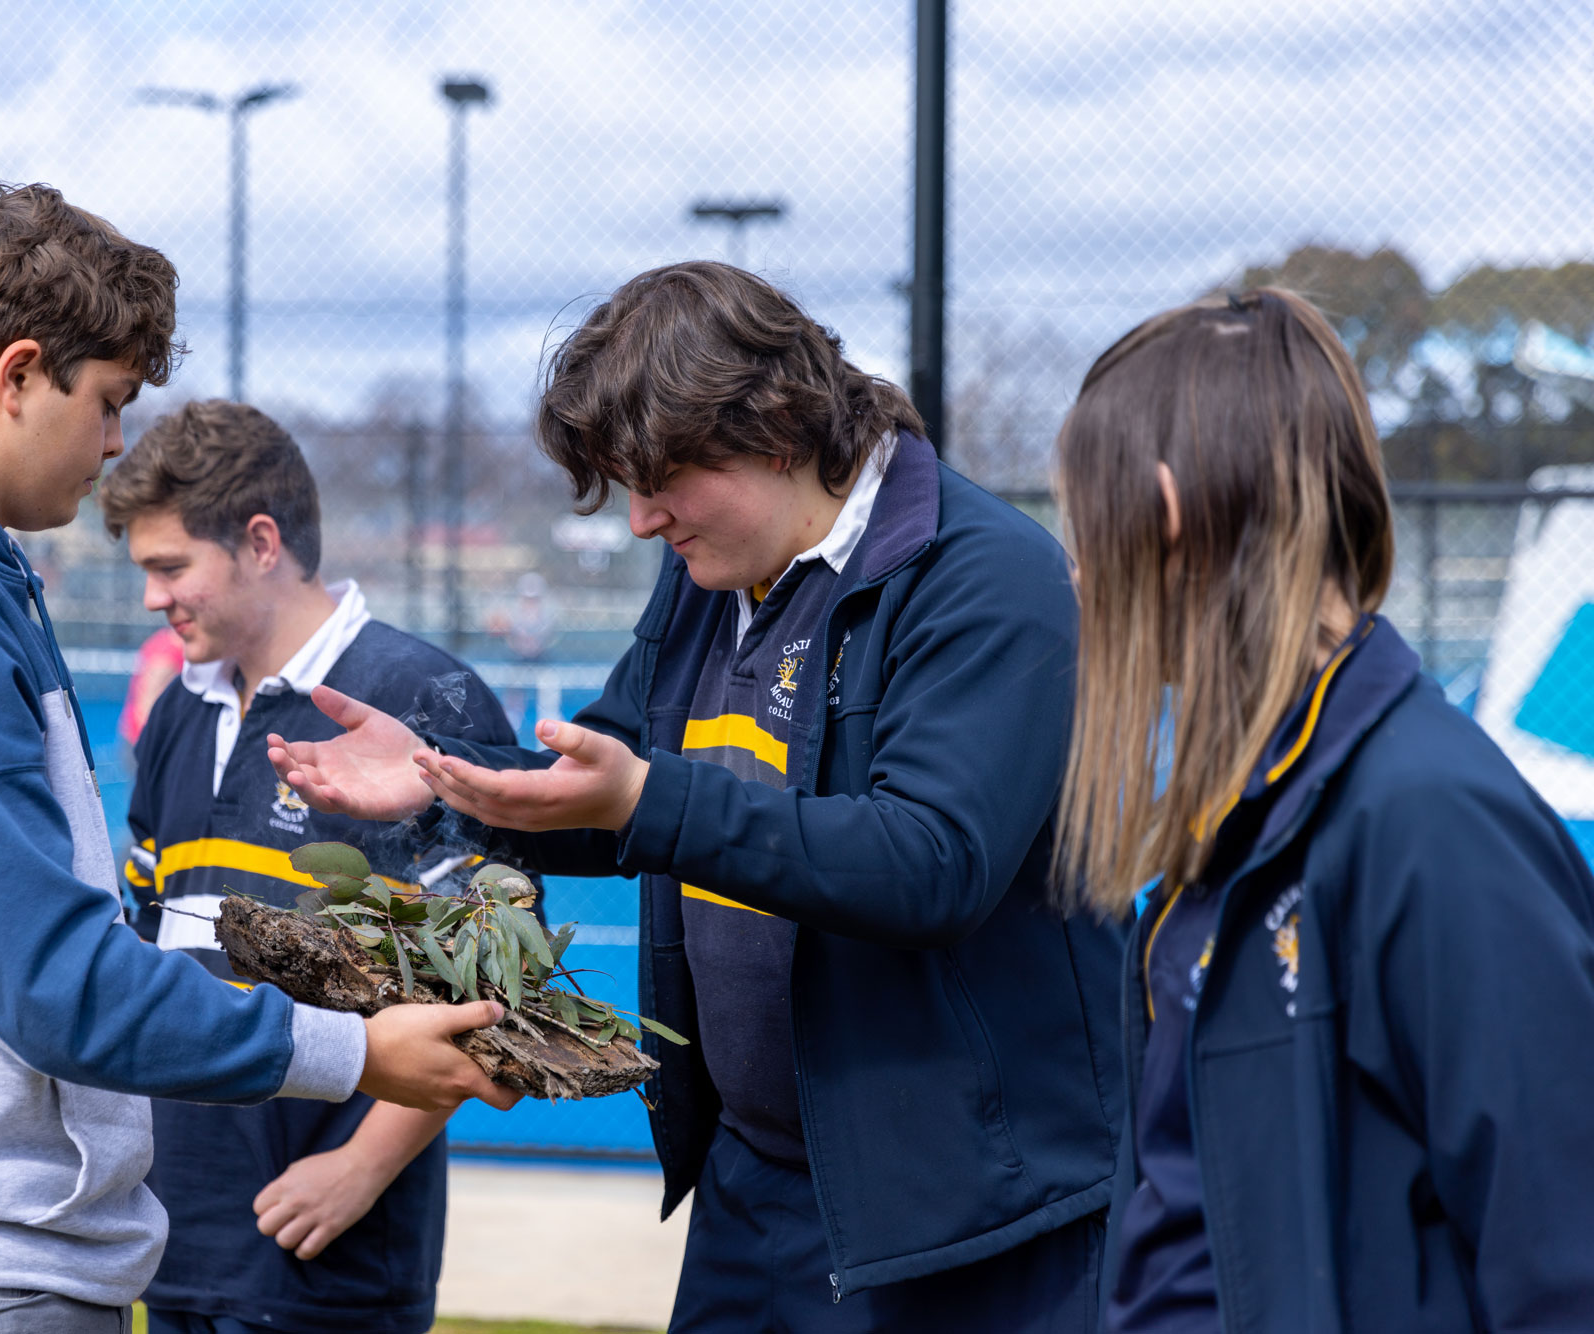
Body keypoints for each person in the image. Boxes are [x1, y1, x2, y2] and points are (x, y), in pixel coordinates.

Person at [270, 261, 1123, 1331]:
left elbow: (930, 861)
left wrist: (642, 800)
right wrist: (446, 775)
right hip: (751, 1185)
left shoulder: (985, 576)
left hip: (964, 1216)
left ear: (773, 430)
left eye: (658, 479)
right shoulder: (711, 569)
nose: (637, 521)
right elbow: (617, 769)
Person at [0, 182, 515, 1334]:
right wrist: (351, 1049)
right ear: (16, 372)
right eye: (104, 401)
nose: (110, 442)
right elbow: (54, 979)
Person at [1053, 288, 1594, 1331]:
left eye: (1086, 532)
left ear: (1166, 515)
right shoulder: (1242, 809)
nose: (1077, 577)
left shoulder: (1427, 820)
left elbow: (1562, 1266)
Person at [102, 399, 528, 1334]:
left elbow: (497, 986)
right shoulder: (177, 709)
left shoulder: (427, 698)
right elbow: (147, 949)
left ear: (261, 542)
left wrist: (364, 1165)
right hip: (175, 1234)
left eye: (170, 567)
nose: (151, 599)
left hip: (332, 1253)